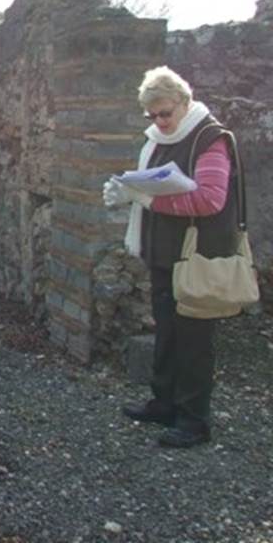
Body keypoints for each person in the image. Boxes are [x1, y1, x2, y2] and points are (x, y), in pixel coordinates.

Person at [102, 65, 241, 449]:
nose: (160, 121)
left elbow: (211, 199)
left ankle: (194, 420)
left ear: (184, 102)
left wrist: (147, 198)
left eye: (165, 113)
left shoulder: (210, 138)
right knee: (167, 329)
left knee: (194, 339)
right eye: (152, 115)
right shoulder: (159, 138)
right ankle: (164, 403)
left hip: (197, 254)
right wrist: (126, 191)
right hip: (165, 251)